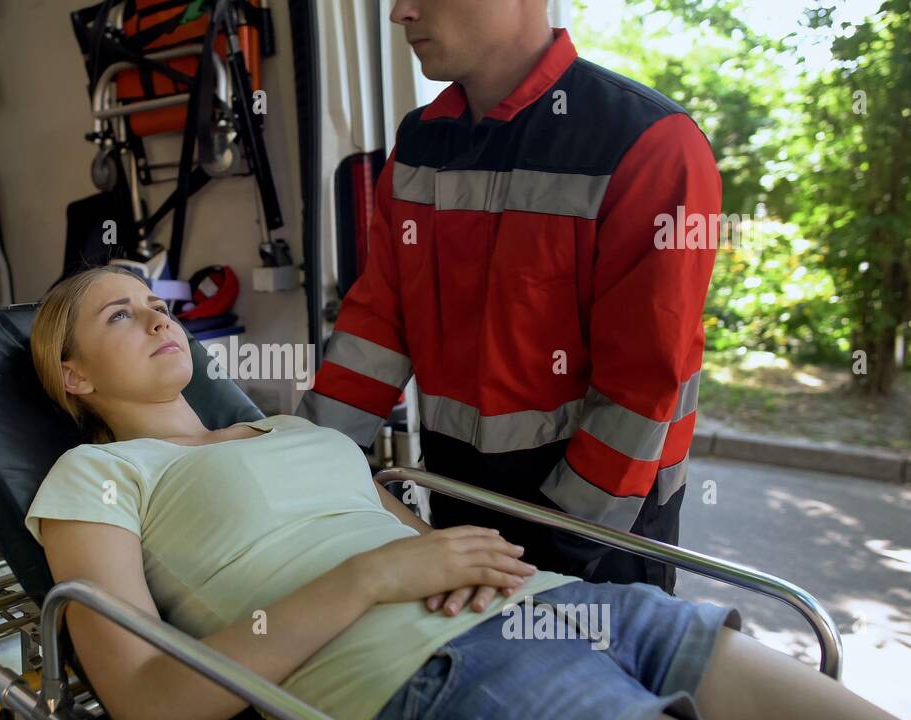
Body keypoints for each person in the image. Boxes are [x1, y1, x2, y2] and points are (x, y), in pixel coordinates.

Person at [22, 268, 905, 720]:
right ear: (73, 373)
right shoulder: (95, 478)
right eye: (118, 316)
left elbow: (412, 540)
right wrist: (368, 579)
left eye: (154, 301)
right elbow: (144, 702)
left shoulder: (286, 429)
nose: (156, 317)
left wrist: (461, 561)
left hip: (564, 612)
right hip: (430, 679)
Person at [297, 0, 724, 608]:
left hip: (600, 532)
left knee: (597, 699)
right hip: (460, 503)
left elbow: (641, 390)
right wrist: (303, 455)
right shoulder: (420, 144)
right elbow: (378, 325)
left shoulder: (650, 144)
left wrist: (548, 551)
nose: (400, 12)